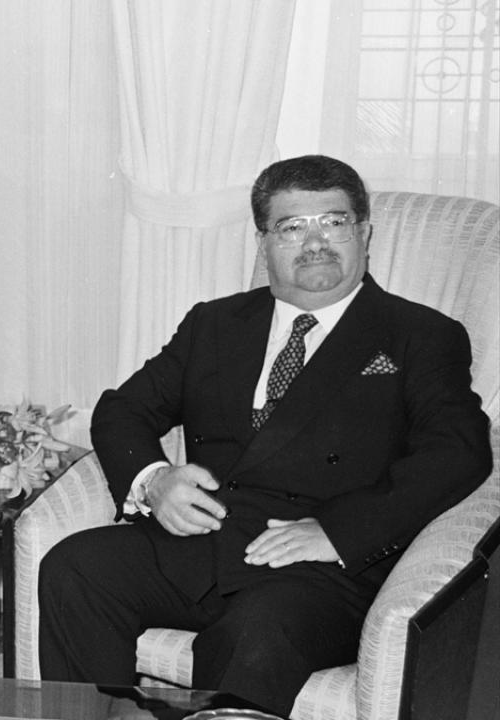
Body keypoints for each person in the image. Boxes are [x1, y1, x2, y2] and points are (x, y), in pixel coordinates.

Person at [37, 155, 491, 715]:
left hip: (321, 571)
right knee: (76, 567)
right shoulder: (214, 323)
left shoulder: (420, 334)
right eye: (292, 226)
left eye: (335, 222)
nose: (316, 242)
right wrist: (155, 480)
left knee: (253, 630)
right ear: (264, 243)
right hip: (205, 540)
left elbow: (458, 452)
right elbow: (122, 410)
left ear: (364, 233)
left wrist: (339, 533)